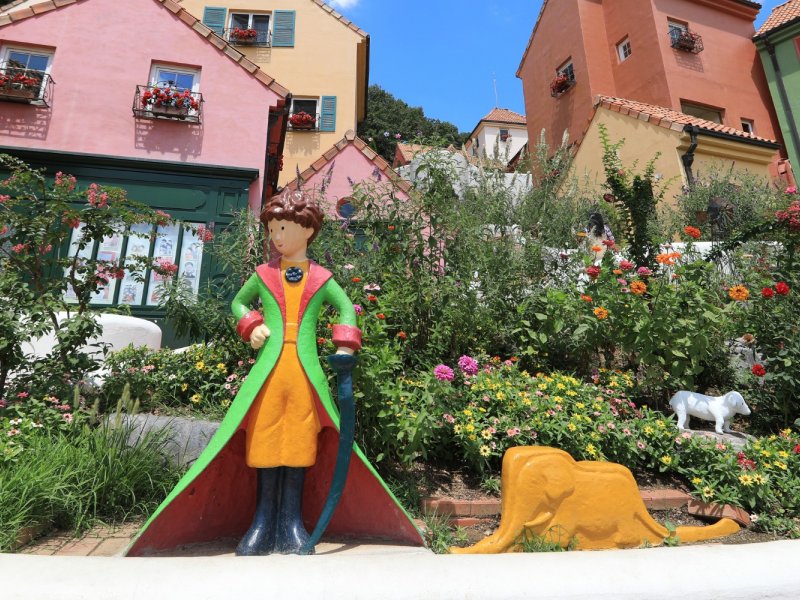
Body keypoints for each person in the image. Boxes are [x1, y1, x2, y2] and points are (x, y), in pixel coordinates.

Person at [125, 189, 423, 557]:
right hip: (269, 372)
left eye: (283, 227)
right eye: (272, 228)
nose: (276, 236)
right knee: (264, 441)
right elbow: (237, 301)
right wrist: (251, 324)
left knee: (299, 442)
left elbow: (347, 308)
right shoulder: (263, 274)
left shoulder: (322, 278)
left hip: (303, 373)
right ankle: (262, 522)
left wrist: (345, 346)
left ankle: (291, 523)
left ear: (307, 231)